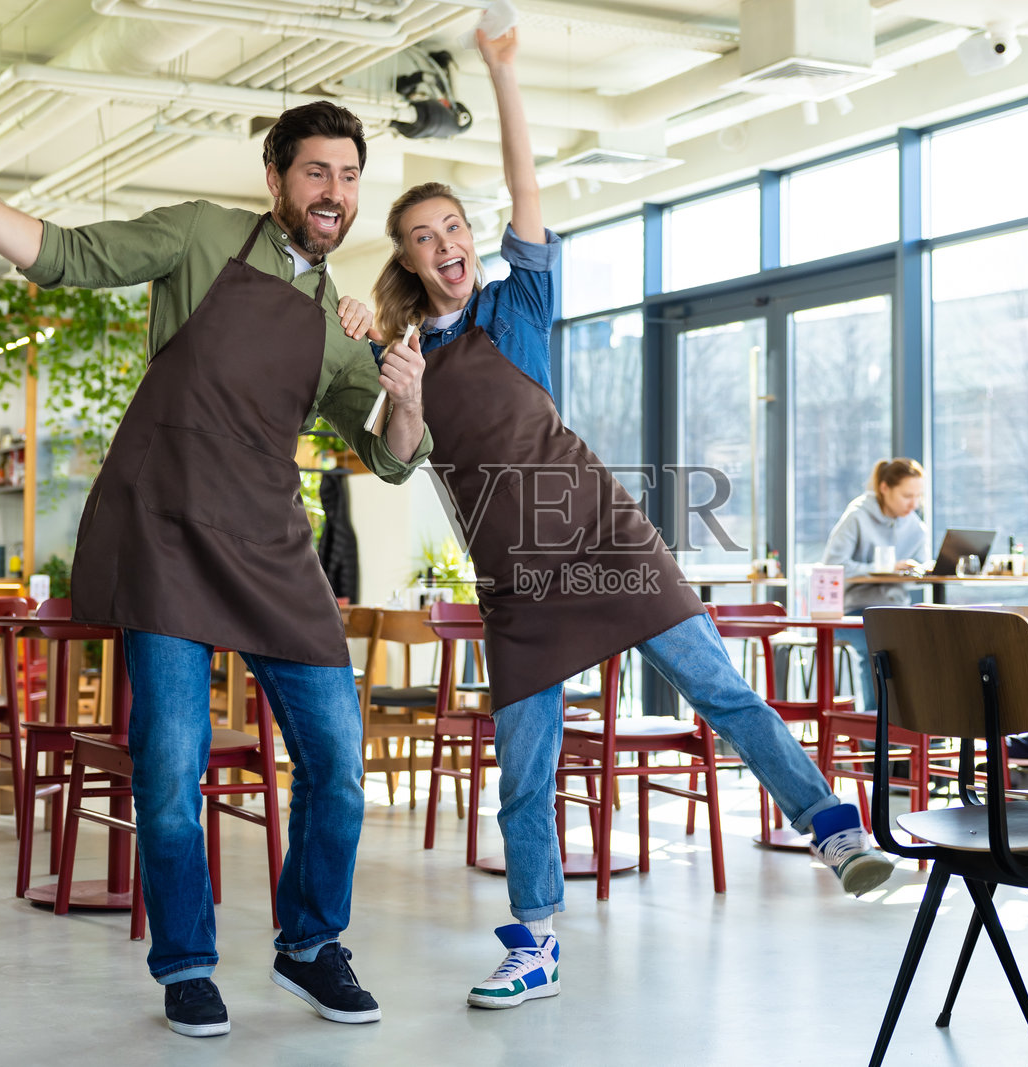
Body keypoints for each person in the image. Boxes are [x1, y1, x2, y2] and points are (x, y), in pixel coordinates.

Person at [368, 28, 892, 1012]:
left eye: (454, 228)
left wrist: (504, 71)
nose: (447, 245)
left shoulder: (514, 307)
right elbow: (394, 460)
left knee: (720, 690)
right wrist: (396, 389)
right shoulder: (405, 362)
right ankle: (535, 940)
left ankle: (832, 826)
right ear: (405, 259)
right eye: (425, 237)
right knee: (523, 772)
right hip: (516, 581)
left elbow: (526, 189)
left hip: (606, 540)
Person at [0, 102, 431, 1038]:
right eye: (317, 173)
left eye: (349, 177)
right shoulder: (201, 235)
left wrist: (408, 396)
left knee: (338, 760)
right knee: (169, 761)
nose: (334, 194)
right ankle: (187, 962)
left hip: (272, 545)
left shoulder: (341, 321)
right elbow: (69, 255)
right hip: (169, 534)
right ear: (276, 178)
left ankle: (310, 945)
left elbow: (391, 456)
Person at [821, 458, 930, 708]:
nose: (913, 504)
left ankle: (922, 732)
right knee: (879, 648)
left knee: (929, 645)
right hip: (854, 611)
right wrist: (883, 569)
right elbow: (832, 567)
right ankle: (875, 733)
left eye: (918, 496)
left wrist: (918, 570)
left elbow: (920, 571)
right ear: (884, 488)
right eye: (906, 495)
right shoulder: (857, 516)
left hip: (897, 610)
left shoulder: (916, 527)